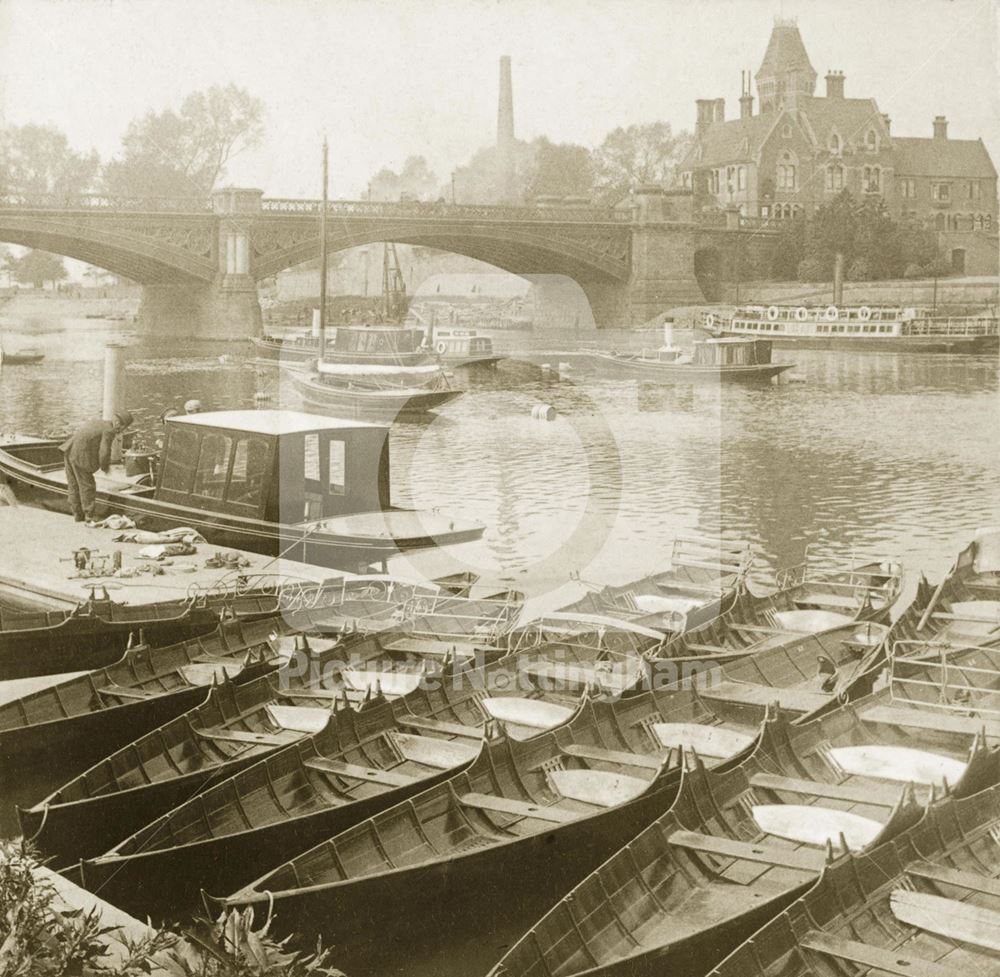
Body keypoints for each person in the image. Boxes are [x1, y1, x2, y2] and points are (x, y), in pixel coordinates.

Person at [60, 410, 134, 522]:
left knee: (73, 485)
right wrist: (105, 467)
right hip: (80, 455)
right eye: (124, 428)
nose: (123, 431)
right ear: (119, 424)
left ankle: (77, 515)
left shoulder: (98, 422)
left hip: (69, 450)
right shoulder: (109, 430)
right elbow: (104, 451)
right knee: (87, 485)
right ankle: (89, 516)